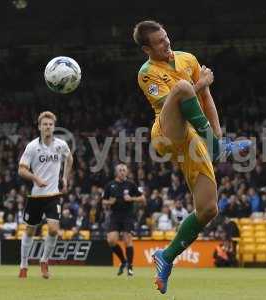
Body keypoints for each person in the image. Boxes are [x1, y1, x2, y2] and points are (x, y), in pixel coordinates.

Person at [134, 20, 252, 294]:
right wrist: (200, 83)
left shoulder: (188, 59)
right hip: (166, 132)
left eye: (166, 37)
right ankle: (216, 147)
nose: (167, 43)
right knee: (184, 89)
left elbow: (206, 99)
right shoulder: (146, 72)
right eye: (159, 41)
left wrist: (218, 137)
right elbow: (170, 104)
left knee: (209, 208)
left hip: (193, 138)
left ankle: (166, 256)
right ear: (146, 49)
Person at [18, 111, 73, 279]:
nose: (48, 127)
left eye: (50, 124)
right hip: (36, 196)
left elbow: (69, 159)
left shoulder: (61, 144)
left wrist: (64, 178)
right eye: (45, 124)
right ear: (39, 127)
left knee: (54, 229)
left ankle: (44, 260)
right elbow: (21, 169)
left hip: (53, 195)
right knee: (29, 231)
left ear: (54, 127)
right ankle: (24, 264)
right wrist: (35, 178)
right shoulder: (32, 146)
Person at [102, 164, 145, 277]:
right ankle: (123, 261)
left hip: (127, 216)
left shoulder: (131, 184)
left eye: (124, 170)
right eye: (120, 170)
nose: (122, 172)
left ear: (127, 172)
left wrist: (132, 198)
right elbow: (103, 201)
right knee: (111, 240)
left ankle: (130, 267)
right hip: (115, 216)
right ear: (116, 172)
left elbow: (142, 198)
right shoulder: (110, 185)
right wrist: (109, 202)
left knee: (127, 240)